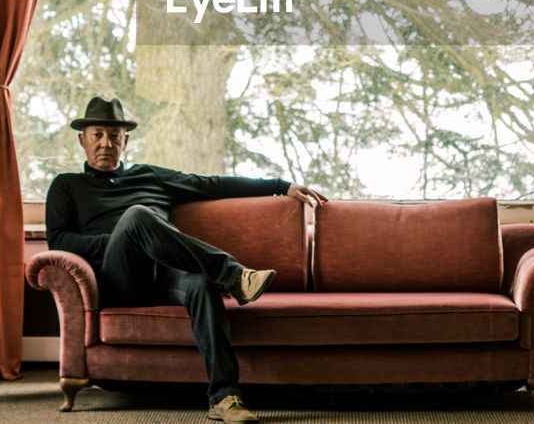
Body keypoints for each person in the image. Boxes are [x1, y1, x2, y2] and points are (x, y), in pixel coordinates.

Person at [45, 95, 328, 423]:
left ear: (126, 140)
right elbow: (61, 241)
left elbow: (211, 185)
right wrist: (124, 239)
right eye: (98, 135)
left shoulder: (150, 176)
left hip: (163, 275)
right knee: (138, 216)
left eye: (114, 135)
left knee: (199, 282)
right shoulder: (67, 186)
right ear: (83, 139)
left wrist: (281, 186)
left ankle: (224, 397)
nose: (106, 143)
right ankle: (233, 275)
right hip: (118, 278)